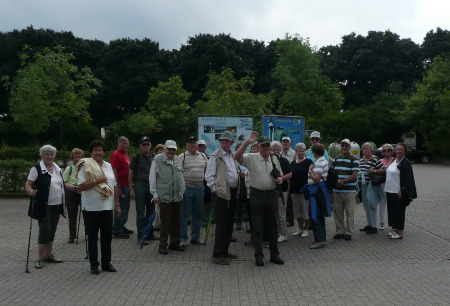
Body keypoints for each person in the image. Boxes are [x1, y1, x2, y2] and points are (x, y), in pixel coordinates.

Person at [234, 132, 285, 267]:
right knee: (257, 228)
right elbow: (236, 156)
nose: (266, 148)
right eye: (263, 146)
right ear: (259, 146)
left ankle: (275, 255)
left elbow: (280, 175)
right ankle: (259, 256)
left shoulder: (274, 158)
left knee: (273, 228)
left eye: (267, 145)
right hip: (257, 196)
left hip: (271, 196)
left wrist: (280, 178)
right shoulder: (251, 157)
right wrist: (247, 142)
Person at [77, 140, 120, 274]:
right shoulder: (85, 165)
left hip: (107, 207)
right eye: (95, 150)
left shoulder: (108, 165)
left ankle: (106, 263)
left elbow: (114, 186)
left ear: (103, 152)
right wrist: (97, 181)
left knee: (107, 237)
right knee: (93, 237)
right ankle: (94, 264)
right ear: (91, 152)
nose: (98, 152)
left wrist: (117, 204)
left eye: (100, 150)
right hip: (91, 208)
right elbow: (81, 186)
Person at [25, 145, 66, 269]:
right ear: (42, 156)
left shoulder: (58, 168)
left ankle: (48, 255)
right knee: (45, 230)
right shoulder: (37, 168)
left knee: (52, 230)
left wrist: (77, 188)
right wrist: (30, 191)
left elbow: (63, 184)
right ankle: (39, 258)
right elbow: (28, 184)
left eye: (51, 154)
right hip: (44, 205)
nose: (49, 156)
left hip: (57, 204)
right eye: (47, 154)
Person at [205, 131, 240, 265]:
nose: (224, 143)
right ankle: (217, 253)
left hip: (232, 192)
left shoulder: (233, 156)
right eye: (222, 141)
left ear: (231, 143)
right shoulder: (215, 156)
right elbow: (209, 176)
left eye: (226, 141)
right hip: (221, 194)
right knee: (221, 224)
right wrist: (216, 190)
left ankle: (224, 251)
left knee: (229, 223)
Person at [150, 140, 186, 255]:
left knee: (176, 221)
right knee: (165, 222)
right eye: (169, 149)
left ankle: (174, 243)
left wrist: (181, 193)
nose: (171, 151)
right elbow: (152, 179)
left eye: (173, 149)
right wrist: (155, 195)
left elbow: (181, 178)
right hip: (164, 196)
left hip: (177, 197)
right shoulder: (157, 159)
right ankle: (162, 245)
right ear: (165, 149)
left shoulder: (177, 159)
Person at [179, 136, 208, 246]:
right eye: (190, 143)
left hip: (200, 189)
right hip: (187, 189)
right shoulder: (182, 157)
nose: (193, 145)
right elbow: (178, 174)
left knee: (198, 215)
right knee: (184, 215)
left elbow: (208, 170)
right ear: (187, 145)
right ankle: (182, 238)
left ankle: (195, 238)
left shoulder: (203, 156)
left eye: (194, 142)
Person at [384, 143, 417, 239]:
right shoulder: (394, 160)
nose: (398, 151)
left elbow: (407, 179)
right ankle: (394, 229)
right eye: (397, 149)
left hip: (397, 192)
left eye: (400, 150)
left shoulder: (405, 162)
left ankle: (400, 232)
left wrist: (401, 191)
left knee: (399, 211)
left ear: (405, 151)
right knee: (392, 211)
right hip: (389, 190)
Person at [129, 136, 157, 244]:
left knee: (151, 211)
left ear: (151, 145)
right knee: (140, 213)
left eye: (148, 144)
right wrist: (131, 188)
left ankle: (149, 234)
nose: (146, 146)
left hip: (151, 187)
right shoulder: (136, 157)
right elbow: (131, 173)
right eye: (143, 144)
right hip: (140, 186)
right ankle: (141, 236)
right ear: (140, 146)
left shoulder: (154, 157)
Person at [332, 139, 359, 241]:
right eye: (342, 145)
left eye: (346, 146)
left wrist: (342, 182)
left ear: (349, 147)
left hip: (349, 191)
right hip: (337, 191)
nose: (344, 147)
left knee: (349, 212)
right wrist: (336, 180)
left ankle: (348, 232)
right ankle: (340, 231)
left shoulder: (354, 159)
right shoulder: (336, 158)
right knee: (337, 212)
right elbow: (333, 173)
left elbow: (354, 175)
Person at [306, 143, 331, 249]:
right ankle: (322, 238)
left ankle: (319, 240)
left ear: (314, 152)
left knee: (314, 215)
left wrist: (310, 171)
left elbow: (316, 179)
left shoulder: (320, 162)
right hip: (319, 191)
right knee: (320, 215)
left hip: (316, 192)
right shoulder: (322, 161)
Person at [286, 143, 313, 238]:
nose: (301, 153)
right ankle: (300, 228)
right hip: (294, 190)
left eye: (302, 151)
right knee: (297, 211)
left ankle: (307, 229)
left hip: (304, 191)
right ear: (296, 152)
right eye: (299, 151)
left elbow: (312, 175)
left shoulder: (309, 162)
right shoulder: (293, 163)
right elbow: (290, 176)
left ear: (304, 152)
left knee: (305, 211)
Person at [358, 142, 385, 234]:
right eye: (364, 149)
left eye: (367, 149)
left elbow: (384, 169)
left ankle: (374, 226)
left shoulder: (375, 159)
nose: (365, 150)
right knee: (366, 205)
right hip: (363, 185)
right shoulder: (361, 160)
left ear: (371, 150)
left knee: (372, 204)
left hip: (372, 185)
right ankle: (369, 224)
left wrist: (374, 171)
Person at [111, 136, 132, 238]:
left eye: (126, 143)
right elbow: (114, 172)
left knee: (126, 208)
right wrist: (118, 188)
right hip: (122, 186)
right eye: (123, 143)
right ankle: (117, 230)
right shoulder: (116, 155)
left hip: (127, 185)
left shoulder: (125, 155)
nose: (125, 145)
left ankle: (121, 225)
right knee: (121, 208)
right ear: (118, 144)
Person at [270, 141, 292, 242]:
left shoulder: (284, 160)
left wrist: (282, 178)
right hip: (270, 190)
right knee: (273, 213)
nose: (276, 151)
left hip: (282, 190)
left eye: (278, 149)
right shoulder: (268, 160)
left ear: (280, 150)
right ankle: (275, 233)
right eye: (274, 149)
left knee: (281, 213)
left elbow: (291, 174)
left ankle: (284, 234)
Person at [63, 148, 84, 243]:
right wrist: (74, 188)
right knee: (72, 215)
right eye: (76, 157)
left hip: (83, 191)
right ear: (73, 158)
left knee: (88, 214)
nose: (78, 159)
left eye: (79, 157)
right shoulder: (69, 168)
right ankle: (72, 235)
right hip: (71, 191)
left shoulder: (85, 168)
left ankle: (89, 233)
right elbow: (64, 182)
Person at [379, 144, 395, 231]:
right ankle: (381, 222)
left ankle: (393, 223)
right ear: (382, 152)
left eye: (389, 150)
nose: (387, 152)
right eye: (384, 151)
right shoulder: (380, 161)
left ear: (392, 151)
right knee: (382, 205)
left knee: (392, 205)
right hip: (382, 185)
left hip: (393, 186)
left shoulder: (395, 160)